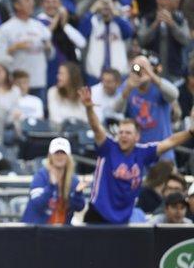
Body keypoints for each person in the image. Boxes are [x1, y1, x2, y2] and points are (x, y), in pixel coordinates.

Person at [78, 86, 194, 224]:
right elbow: (96, 128)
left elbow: (169, 142)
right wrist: (89, 108)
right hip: (98, 214)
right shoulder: (108, 147)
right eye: (121, 132)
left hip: (123, 219)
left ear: (137, 136)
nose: (123, 136)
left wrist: (191, 132)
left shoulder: (142, 152)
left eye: (128, 133)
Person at [113, 55, 180, 160]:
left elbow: (174, 94)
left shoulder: (159, 84)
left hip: (162, 148)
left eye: (143, 67)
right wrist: (128, 88)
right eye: (137, 67)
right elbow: (116, 109)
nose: (140, 71)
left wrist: (152, 76)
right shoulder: (128, 85)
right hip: (139, 150)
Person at [0, 0, 52, 103]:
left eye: (32, 0)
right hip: (16, 84)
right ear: (17, 5)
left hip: (39, 81)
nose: (32, 3)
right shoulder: (5, 29)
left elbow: (50, 55)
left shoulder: (40, 27)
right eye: (27, 0)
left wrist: (49, 47)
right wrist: (13, 48)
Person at [21, 137, 86, 224]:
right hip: (37, 231)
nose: (59, 156)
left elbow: (79, 207)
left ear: (68, 156)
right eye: (56, 153)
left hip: (61, 232)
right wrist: (51, 186)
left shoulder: (73, 180)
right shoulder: (41, 176)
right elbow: (38, 204)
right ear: (50, 156)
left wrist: (78, 193)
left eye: (63, 153)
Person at [137, 0, 191, 83]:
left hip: (174, 72)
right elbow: (141, 41)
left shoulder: (180, 19)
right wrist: (155, 24)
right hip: (152, 72)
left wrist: (172, 24)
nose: (162, 1)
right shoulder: (148, 18)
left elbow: (186, 40)